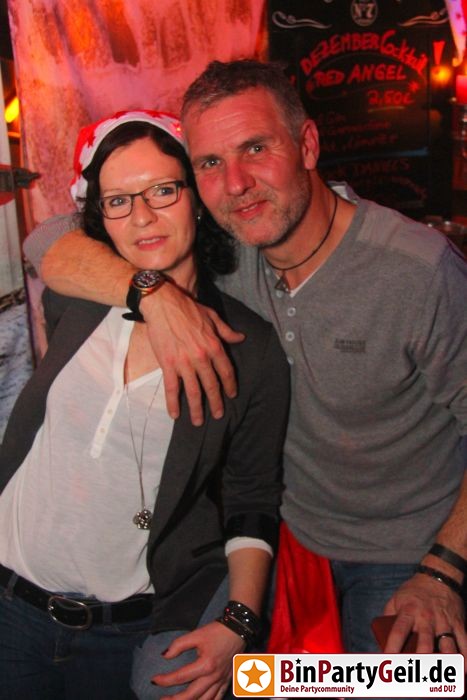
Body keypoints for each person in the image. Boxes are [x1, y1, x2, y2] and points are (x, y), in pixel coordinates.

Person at [24, 60, 467, 662]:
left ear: (307, 145)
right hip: (284, 534)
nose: (235, 184)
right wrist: (152, 294)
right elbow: (47, 238)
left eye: (255, 148)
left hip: (408, 551)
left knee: (403, 683)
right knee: (211, 678)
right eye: (209, 163)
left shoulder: (418, 270)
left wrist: (443, 571)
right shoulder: (229, 245)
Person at [1, 108, 290, 700]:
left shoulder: (248, 347)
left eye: (162, 190)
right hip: (9, 610)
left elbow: (252, 497)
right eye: (118, 200)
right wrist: (154, 296)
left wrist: (239, 621)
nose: (142, 216)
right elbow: (44, 241)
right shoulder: (77, 298)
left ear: (196, 196)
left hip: (125, 631)